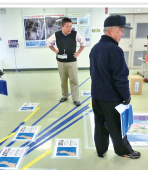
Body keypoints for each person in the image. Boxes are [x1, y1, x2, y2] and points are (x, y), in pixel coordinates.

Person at [89, 15, 141, 159]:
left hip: (97, 96)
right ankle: (124, 151)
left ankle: (101, 150)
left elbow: (93, 72)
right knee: (117, 126)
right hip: (112, 98)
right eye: (120, 30)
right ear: (110, 30)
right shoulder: (114, 50)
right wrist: (126, 96)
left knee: (100, 124)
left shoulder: (95, 48)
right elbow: (120, 78)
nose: (122, 34)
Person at [46, 17, 86, 106]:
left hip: (72, 61)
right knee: (63, 80)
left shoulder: (75, 34)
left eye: (71, 26)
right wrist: (55, 50)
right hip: (61, 62)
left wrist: (78, 52)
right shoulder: (56, 34)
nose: (69, 29)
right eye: (67, 27)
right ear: (62, 27)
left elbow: (83, 43)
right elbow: (48, 42)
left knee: (74, 80)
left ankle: (75, 98)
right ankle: (64, 96)